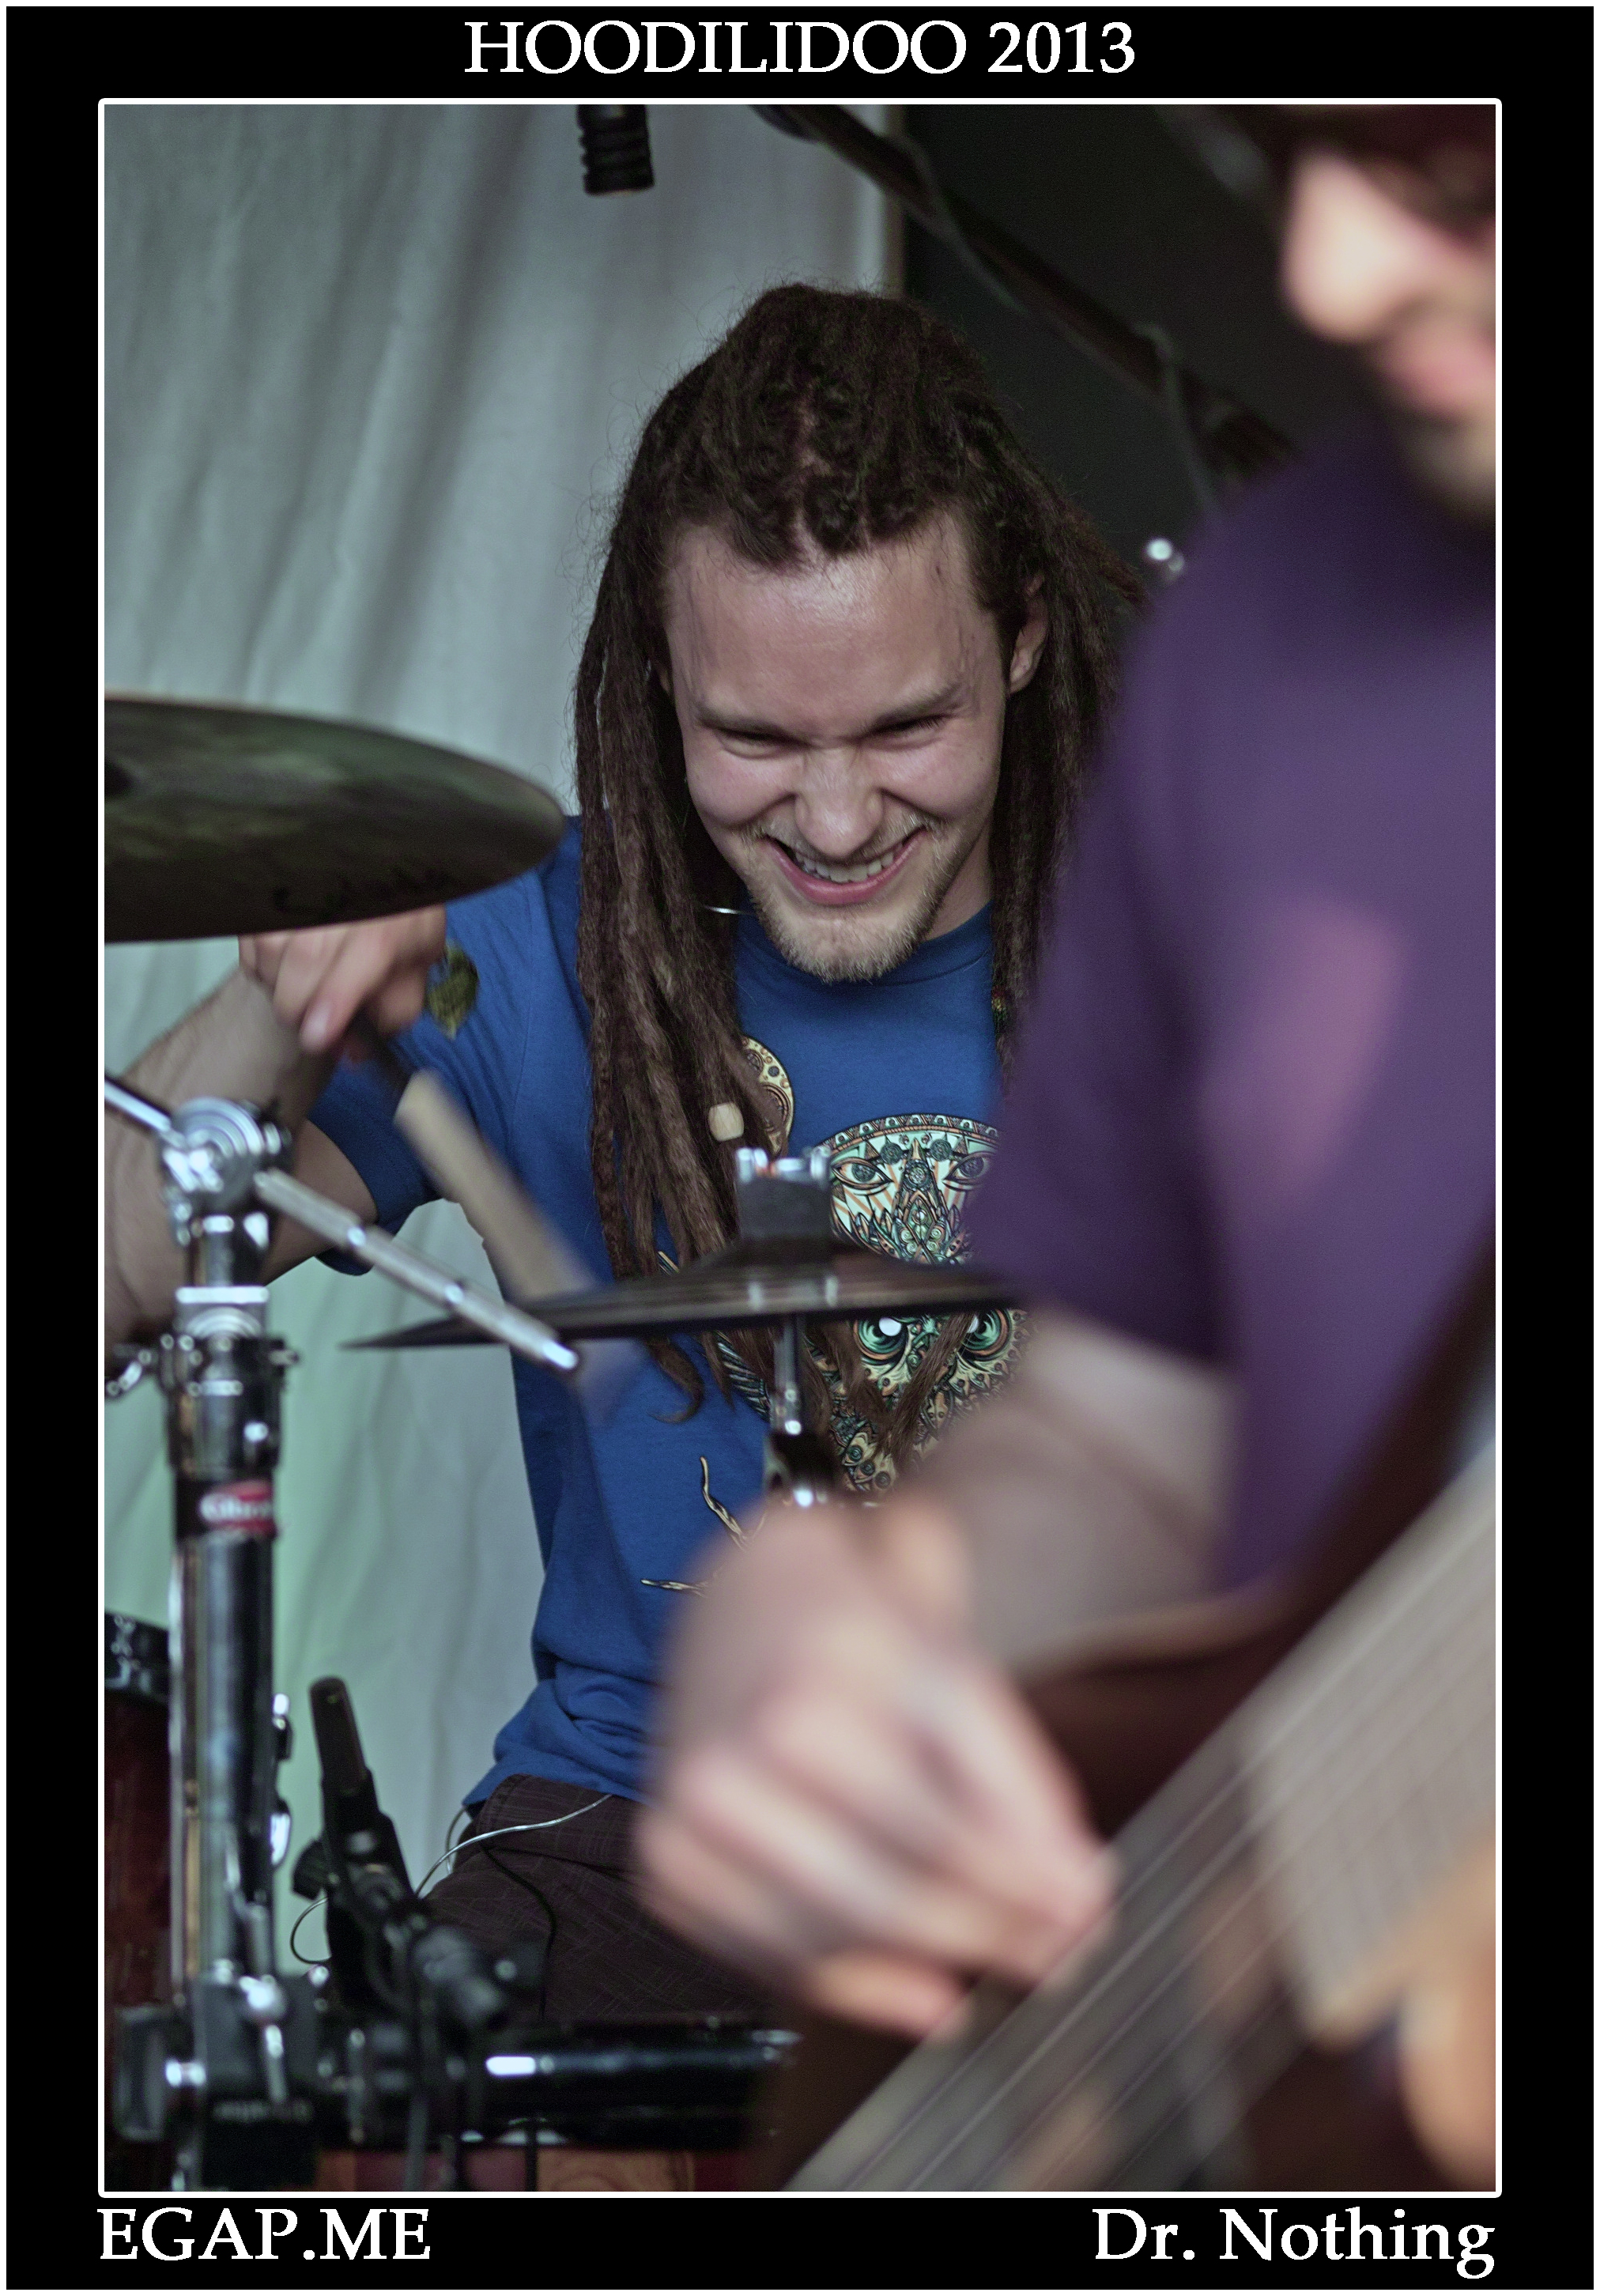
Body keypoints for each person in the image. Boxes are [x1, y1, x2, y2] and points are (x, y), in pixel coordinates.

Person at [104, 284, 1139, 2024]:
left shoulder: (1206, 946)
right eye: (756, 739)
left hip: (1115, 1815)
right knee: (425, 2120)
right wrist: (280, 1005)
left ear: (1023, 637)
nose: (834, 819)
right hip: (647, 1828)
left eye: (905, 729)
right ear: (661, 676)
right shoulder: (524, 946)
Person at [638, 107, 1496, 2181]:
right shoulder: (1282, 628)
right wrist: (877, 1611)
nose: (1328, 274)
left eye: (1447, 161)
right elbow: (1130, 1433)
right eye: (1283, 141)